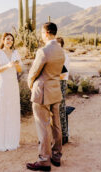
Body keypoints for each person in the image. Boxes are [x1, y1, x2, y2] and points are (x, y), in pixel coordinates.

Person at [27, 22, 65, 171]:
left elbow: (34, 72)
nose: (41, 36)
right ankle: (56, 156)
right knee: (56, 124)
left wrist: (31, 84)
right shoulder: (61, 51)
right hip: (55, 90)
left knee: (42, 125)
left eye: (42, 33)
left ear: (47, 33)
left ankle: (44, 160)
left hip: (42, 92)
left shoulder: (43, 51)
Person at [56, 37, 70, 145]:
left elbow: (64, 74)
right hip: (54, 82)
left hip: (61, 82)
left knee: (61, 109)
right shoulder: (56, 55)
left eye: (59, 44)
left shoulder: (64, 56)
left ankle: (64, 136)